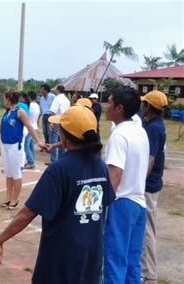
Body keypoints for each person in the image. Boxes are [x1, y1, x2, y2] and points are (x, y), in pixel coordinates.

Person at [0, 106, 115, 284]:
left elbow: (28, 213)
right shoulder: (100, 165)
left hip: (61, 257)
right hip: (91, 256)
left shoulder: (59, 169)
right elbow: (105, 205)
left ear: (64, 135)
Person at [103, 86, 149, 284]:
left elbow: (115, 174)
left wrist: (103, 204)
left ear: (119, 108)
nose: (106, 107)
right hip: (139, 204)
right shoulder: (140, 131)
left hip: (121, 203)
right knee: (132, 261)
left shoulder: (119, 136)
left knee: (114, 260)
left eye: (110, 103)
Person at [0, 91, 44, 209]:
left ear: (8, 99)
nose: (3, 101)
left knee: (16, 174)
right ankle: (8, 197)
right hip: (5, 146)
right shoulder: (6, 112)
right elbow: (0, 129)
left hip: (15, 146)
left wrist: (38, 141)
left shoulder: (20, 112)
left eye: (4, 98)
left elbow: (30, 127)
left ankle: (15, 199)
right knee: (8, 174)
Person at [139, 91, 168, 284]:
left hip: (148, 185)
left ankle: (149, 273)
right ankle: (145, 269)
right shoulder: (150, 124)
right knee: (145, 229)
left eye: (143, 103)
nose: (141, 106)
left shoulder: (154, 129)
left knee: (147, 230)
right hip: (150, 183)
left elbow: (150, 159)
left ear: (149, 107)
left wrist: (138, 181)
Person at [48, 85, 70, 164]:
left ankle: (53, 160)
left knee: (53, 139)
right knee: (62, 141)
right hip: (65, 121)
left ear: (58, 90)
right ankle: (62, 159)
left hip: (57, 120)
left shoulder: (57, 99)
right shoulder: (67, 100)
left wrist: (51, 122)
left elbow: (53, 111)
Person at [23, 91, 40, 169]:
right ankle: (31, 160)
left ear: (29, 97)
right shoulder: (37, 105)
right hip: (35, 126)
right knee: (30, 145)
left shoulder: (31, 105)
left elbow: (26, 115)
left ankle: (31, 162)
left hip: (30, 127)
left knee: (26, 145)